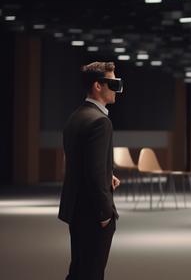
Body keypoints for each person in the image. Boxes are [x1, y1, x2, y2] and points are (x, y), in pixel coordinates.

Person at [58, 61, 124, 280]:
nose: (118, 90)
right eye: (114, 83)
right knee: (91, 273)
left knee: (78, 270)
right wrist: (105, 214)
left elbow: (80, 162)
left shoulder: (76, 116)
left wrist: (108, 175)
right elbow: (94, 174)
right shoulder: (100, 122)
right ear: (98, 85)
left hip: (76, 209)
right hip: (94, 213)